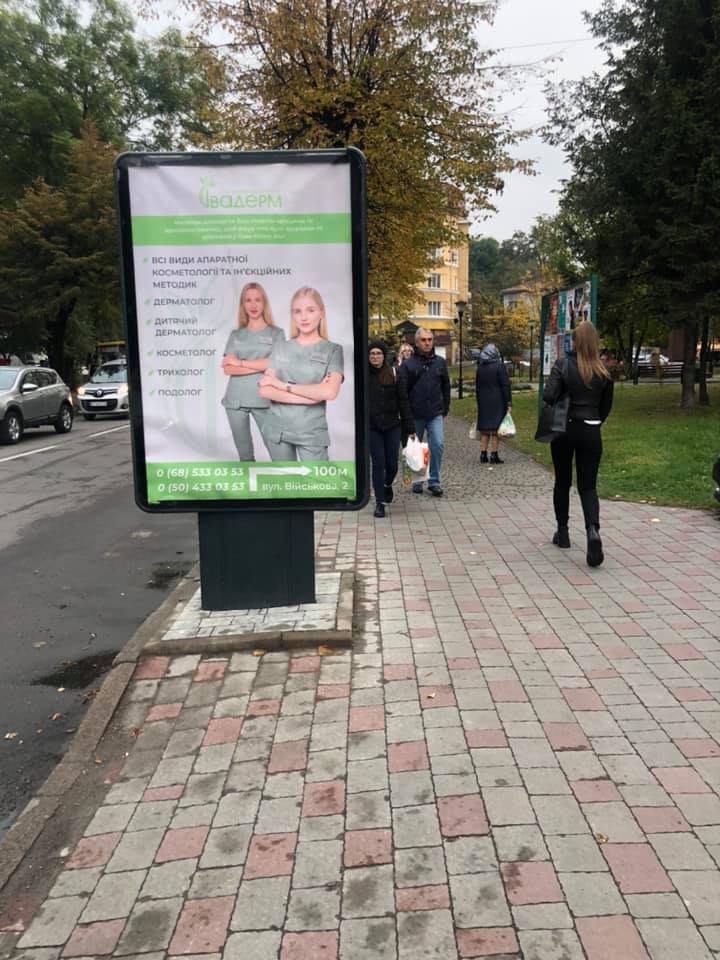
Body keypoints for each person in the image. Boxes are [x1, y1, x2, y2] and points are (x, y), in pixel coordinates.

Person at [543, 319, 614, 567]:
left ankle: (562, 532)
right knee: (588, 486)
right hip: (591, 430)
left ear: (574, 341)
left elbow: (548, 395)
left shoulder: (563, 364)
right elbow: (606, 407)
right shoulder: (603, 371)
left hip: (564, 428)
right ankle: (592, 531)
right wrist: (594, 420)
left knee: (562, 481)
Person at [258, 287, 343, 461]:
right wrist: (311, 396)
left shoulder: (332, 350)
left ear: (321, 313)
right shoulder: (281, 347)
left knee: (316, 485)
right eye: (298, 311)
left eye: (310, 310)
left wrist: (282, 385)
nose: (304, 317)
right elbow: (265, 390)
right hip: (277, 431)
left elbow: (329, 392)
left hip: (311, 432)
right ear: (292, 315)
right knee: (284, 486)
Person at [222, 282, 286, 460]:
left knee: (278, 453)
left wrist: (240, 363)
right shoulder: (236, 335)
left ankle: (284, 486)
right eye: (248, 300)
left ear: (264, 303)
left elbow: (276, 363)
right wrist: (260, 364)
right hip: (235, 400)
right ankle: (249, 487)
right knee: (245, 455)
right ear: (243, 305)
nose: (253, 305)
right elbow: (228, 369)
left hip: (264, 398)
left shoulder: (276, 334)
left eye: (257, 300)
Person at [397, 328, 450, 496]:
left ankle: (434, 481)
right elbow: (402, 393)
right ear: (417, 342)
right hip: (415, 414)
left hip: (435, 413)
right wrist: (407, 417)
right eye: (424, 340)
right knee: (415, 449)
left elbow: (446, 387)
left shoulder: (440, 362)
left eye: (430, 339)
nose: (427, 343)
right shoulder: (408, 365)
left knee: (438, 445)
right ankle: (418, 479)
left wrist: (445, 408)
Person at [368, 340, 415, 519]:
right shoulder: (363, 376)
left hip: (392, 425)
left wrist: (410, 427)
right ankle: (380, 502)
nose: (375, 357)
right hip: (373, 427)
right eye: (372, 354)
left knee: (392, 464)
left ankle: (387, 485)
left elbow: (403, 401)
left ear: (384, 355)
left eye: (378, 353)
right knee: (378, 463)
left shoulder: (394, 373)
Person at [474, 343, 511, 464]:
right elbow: (505, 386)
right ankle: (494, 455)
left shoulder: (480, 367)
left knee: (485, 430)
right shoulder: (499, 366)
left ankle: (483, 454)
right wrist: (509, 403)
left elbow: (477, 387)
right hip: (497, 401)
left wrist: (479, 401)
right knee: (495, 430)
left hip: (483, 401)